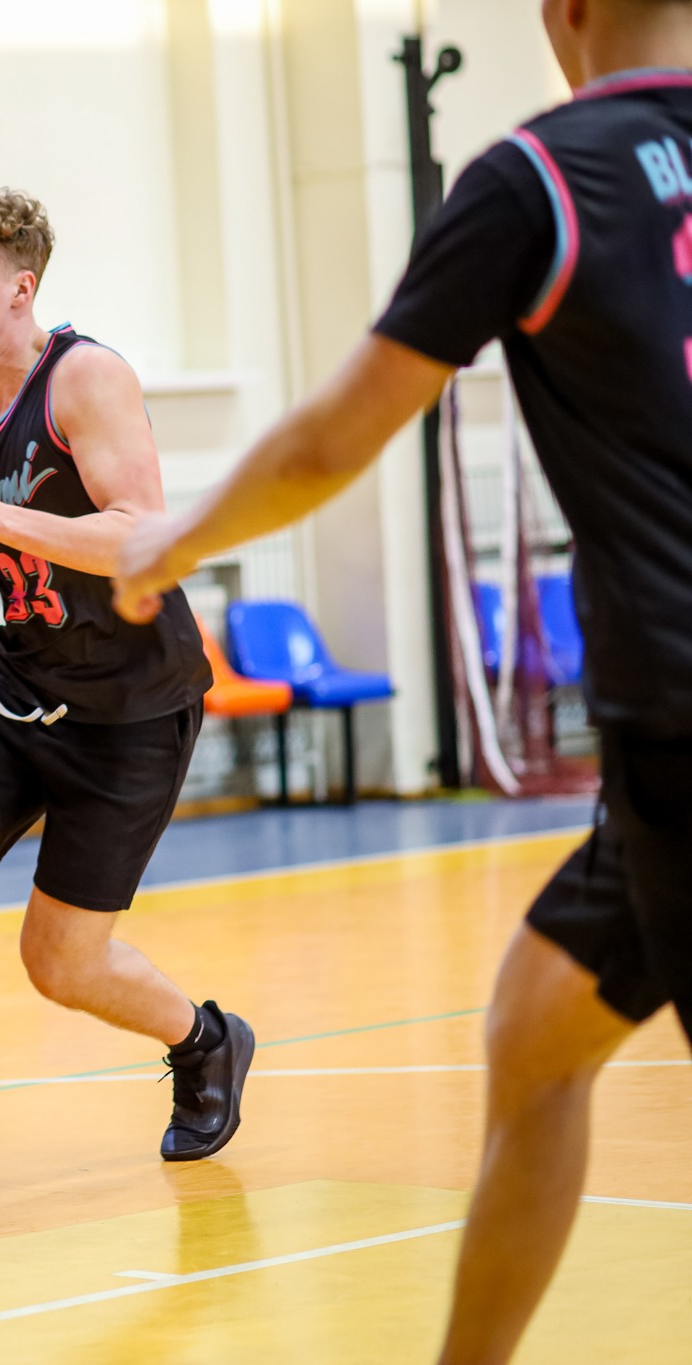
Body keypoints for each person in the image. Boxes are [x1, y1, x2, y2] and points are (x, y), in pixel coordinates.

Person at [111, 4, 692, 1360]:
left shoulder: (542, 176)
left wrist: (172, 541)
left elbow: (333, 440)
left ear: (563, 14)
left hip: (681, 716)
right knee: (537, 1033)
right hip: (654, 762)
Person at [0, 186, 250, 1194]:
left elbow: (140, 533)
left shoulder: (85, 378)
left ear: (20, 289)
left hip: (130, 703)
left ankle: (204, 1040)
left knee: (60, 963)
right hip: (21, 684)